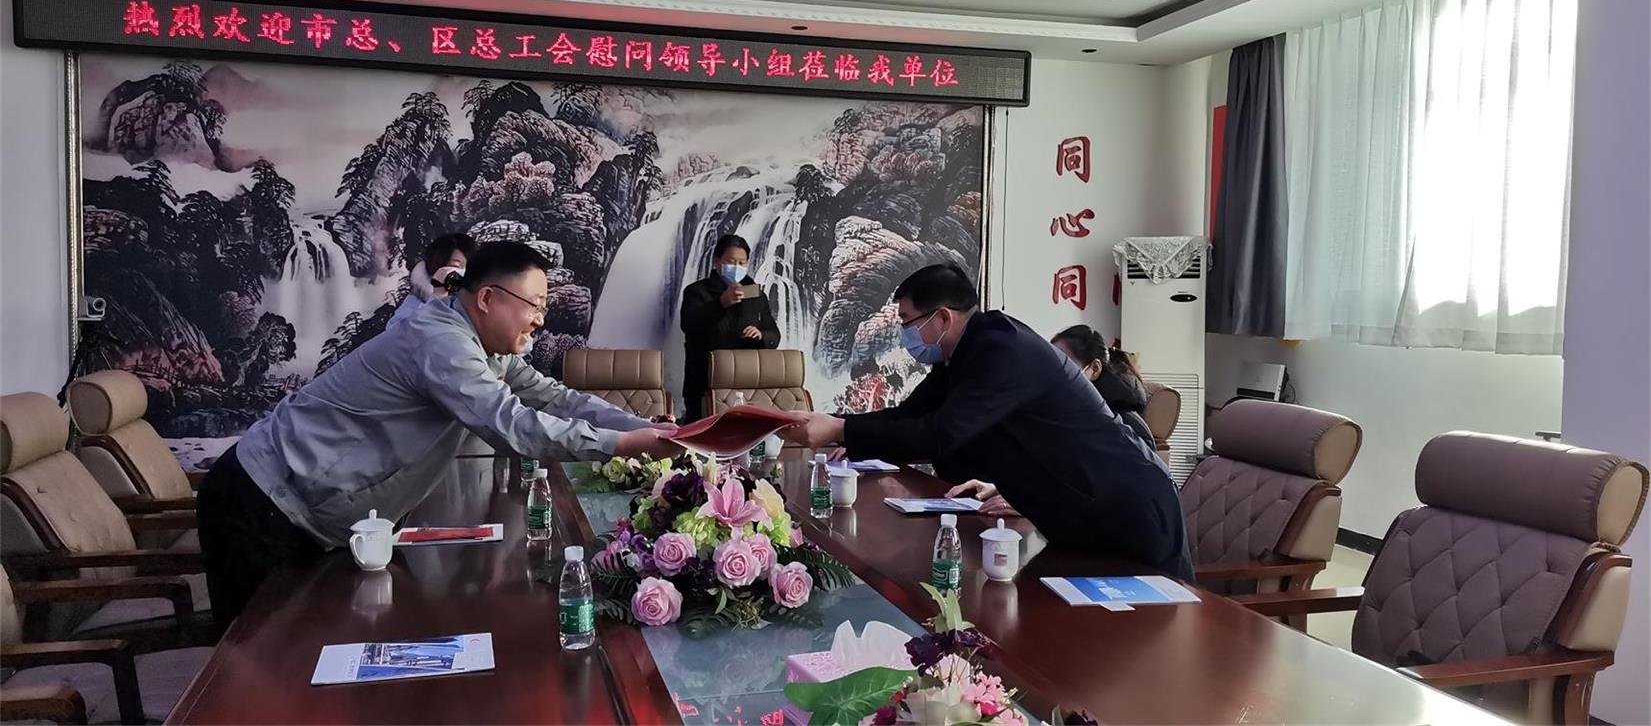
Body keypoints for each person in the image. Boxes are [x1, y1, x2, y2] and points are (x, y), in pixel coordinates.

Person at [196, 241, 682, 629]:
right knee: (252, 666)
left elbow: (555, 398)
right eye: (534, 305)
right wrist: (624, 445)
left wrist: (644, 427)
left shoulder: (486, 349)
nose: (540, 319)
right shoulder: (441, 341)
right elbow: (512, 426)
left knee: (303, 655)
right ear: (487, 299)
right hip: (262, 499)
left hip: (310, 511)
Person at [781, 264, 1193, 581]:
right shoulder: (963, 355)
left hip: (1127, 508)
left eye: (907, 322)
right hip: (1077, 512)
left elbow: (939, 435)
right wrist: (835, 423)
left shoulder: (1000, 349)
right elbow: (911, 413)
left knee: (1151, 640)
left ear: (942, 318)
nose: (904, 334)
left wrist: (840, 430)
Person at [678, 234, 780, 422]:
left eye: (742, 263)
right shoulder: (696, 291)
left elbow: (774, 334)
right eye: (731, 262)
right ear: (717, 262)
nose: (737, 267)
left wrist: (761, 335)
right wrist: (720, 304)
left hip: (747, 381)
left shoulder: (756, 294)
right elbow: (689, 325)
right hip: (704, 382)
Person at [1051, 325, 1155, 446]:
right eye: (1050, 364)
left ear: (1095, 369)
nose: (1053, 375)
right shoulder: (1061, 407)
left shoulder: (1123, 423)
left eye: (1065, 367)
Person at [389, 233, 477, 327]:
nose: (464, 273)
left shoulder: (479, 301)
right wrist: (437, 300)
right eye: (455, 267)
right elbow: (396, 331)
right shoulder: (413, 306)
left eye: (470, 267)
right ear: (437, 267)